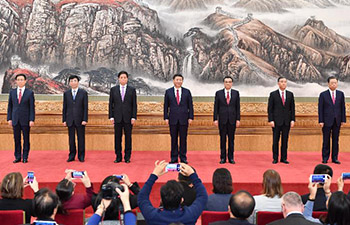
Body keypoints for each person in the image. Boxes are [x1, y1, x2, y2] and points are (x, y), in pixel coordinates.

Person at [137, 160, 208, 225]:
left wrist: (154, 175)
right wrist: (192, 174)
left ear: (161, 200)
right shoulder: (190, 215)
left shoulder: (152, 216)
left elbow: (142, 197)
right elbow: (203, 196)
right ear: (181, 200)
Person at [164, 74, 194, 164]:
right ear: (173, 81)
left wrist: (191, 117)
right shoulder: (168, 92)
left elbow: (190, 106)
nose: (178, 81)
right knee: (173, 138)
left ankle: (183, 157)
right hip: (172, 119)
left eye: (180, 80)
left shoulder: (187, 92)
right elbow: (166, 106)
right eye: (177, 80)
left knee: (183, 139)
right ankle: (173, 158)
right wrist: (166, 117)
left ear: (182, 81)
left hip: (184, 119)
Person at [109, 71, 137, 163]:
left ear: (127, 79)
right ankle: (118, 156)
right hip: (117, 118)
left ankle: (127, 157)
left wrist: (134, 117)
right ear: (118, 79)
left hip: (128, 118)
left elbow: (134, 105)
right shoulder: (113, 90)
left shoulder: (132, 90)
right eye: (121, 77)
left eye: (125, 77)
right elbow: (111, 104)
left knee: (128, 138)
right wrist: (111, 117)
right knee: (117, 138)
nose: (123, 79)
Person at [7, 73, 35, 163]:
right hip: (15, 119)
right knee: (16, 139)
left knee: (26, 139)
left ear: (25, 81)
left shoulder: (29, 93)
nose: (20, 81)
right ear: (16, 81)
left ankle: (25, 157)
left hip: (26, 120)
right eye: (18, 80)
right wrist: (9, 118)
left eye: (22, 79)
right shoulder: (12, 92)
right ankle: (18, 156)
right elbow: (10, 107)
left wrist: (31, 119)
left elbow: (32, 107)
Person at [318, 76, 346, 164]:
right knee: (326, 140)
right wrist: (321, 120)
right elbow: (320, 109)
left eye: (335, 83)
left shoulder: (341, 94)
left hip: (337, 120)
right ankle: (325, 158)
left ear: (337, 84)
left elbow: (342, 108)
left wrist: (343, 120)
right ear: (328, 84)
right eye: (332, 83)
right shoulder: (323, 94)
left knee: (335, 140)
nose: (334, 84)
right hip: (326, 121)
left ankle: (335, 158)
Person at [268, 76, 295, 164]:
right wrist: (271, 120)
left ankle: (284, 158)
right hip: (276, 122)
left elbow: (292, 108)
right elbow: (270, 109)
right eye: (282, 82)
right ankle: (275, 158)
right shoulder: (273, 94)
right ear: (278, 83)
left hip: (286, 121)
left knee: (285, 140)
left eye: (285, 82)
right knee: (275, 140)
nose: (284, 83)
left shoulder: (290, 94)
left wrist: (292, 120)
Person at [213, 76, 240, 164]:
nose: (228, 83)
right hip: (222, 120)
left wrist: (238, 119)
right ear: (224, 83)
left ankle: (231, 158)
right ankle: (223, 158)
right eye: (226, 82)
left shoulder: (236, 93)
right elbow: (216, 107)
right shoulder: (219, 93)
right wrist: (215, 119)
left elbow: (238, 107)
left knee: (231, 140)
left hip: (232, 120)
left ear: (232, 83)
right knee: (223, 139)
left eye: (229, 82)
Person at [63, 75, 88, 162]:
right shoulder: (66, 93)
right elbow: (64, 107)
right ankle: (72, 155)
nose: (73, 82)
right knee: (71, 139)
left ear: (78, 82)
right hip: (70, 119)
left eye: (75, 81)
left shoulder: (83, 93)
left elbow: (85, 107)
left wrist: (85, 119)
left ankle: (81, 156)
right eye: (71, 81)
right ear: (69, 83)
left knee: (81, 138)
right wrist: (64, 120)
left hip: (80, 119)